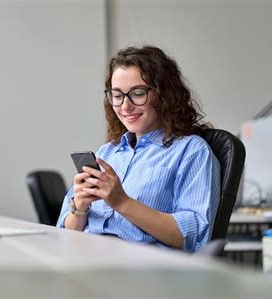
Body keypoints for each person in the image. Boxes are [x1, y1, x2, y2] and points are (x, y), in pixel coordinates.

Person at [56, 45, 221, 252]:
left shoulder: (192, 151)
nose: (125, 106)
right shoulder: (107, 153)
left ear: (164, 94)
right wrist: (79, 208)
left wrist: (122, 202)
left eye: (138, 93)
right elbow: (66, 231)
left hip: (141, 270)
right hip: (86, 257)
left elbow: (193, 239)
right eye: (117, 95)